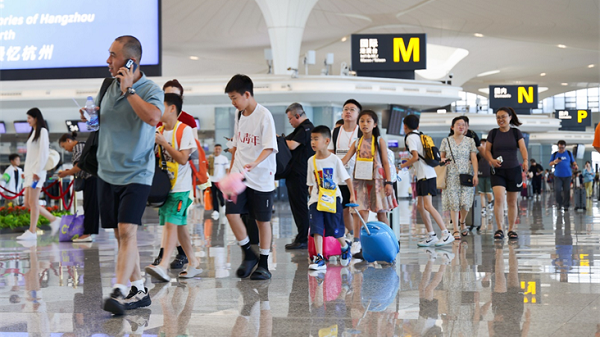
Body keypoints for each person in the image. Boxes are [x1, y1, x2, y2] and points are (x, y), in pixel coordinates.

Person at [92, 36, 164, 315]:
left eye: (113, 55)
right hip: (107, 171)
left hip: (137, 172)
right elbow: (101, 120)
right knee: (121, 236)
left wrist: (130, 90)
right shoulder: (107, 87)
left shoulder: (149, 89)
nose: (108, 60)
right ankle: (139, 289)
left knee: (127, 230)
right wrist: (92, 115)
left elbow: (153, 118)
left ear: (130, 61)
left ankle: (119, 289)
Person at [225, 74, 278, 280]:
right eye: (230, 98)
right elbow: (237, 146)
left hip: (262, 177)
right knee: (231, 214)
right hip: (241, 175)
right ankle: (248, 253)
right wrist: (231, 172)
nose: (233, 102)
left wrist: (255, 163)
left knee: (261, 221)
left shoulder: (264, 115)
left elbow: (269, 147)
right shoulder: (239, 115)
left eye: (235, 97)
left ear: (247, 94)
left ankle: (263, 263)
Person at [145, 93, 201, 282]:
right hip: (166, 188)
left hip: (180, 189)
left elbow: (183, 158)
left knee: (170, 224)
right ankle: (193, 262)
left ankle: (163, 265)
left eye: (161, 105)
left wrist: (164, 144)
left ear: (172, 108)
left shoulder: (183, 130)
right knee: (180, 228)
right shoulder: (158, 129)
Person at [400, 114, 454, 247]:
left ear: (404, 126)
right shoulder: (420, 136)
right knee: (420, 206)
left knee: (428, 206)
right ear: (417, 126)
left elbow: (415, 157)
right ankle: (431, 235)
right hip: (424, 175)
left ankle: (446, 233)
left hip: (425, 176)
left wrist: (400, 166)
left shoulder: (410, 138)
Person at [307, 126, 354, 270]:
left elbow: (346, 179)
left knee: (334, 229)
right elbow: (310, 183)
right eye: (311, 139)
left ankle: (345, 247)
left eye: (316, 139)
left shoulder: (334, 160)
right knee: (316, 228)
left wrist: (352, 195)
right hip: (316, 200)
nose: (313, 142)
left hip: (333, 200)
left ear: (327, 141)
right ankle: (320, 258)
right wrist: (312, 198)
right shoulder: (311, 160)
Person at [17, 108, 61, 241]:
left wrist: (36, 171)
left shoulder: (42, 131)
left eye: (29, 118)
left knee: (33, 202)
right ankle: (53, 220)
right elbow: (31, 156)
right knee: (27, 202)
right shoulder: (34, 133)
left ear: (36, 118)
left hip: (37, 173)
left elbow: (43, 153)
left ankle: (32, 231)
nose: (28, 120)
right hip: (31, 173)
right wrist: (26, 172)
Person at [484, 107, 528, 241]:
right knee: (499, 199)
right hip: (498, 171)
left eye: (503, 117)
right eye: (498, 117)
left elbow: (522, 148)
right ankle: (499, 228)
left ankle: (511, 230)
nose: (500, 119)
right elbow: (487, 150)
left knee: (512, 201)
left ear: (509, 117)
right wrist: (491, 160)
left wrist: (525, 160)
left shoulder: (516, 133)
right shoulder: (493, 133)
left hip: (513, 170)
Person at [328, 99, 361, 253]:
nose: (348, 111)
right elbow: (330, 153)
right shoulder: (335, 131)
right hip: (340, 177)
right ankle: (352, 234)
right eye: (346, 109)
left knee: (356, 209)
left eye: (352, 109)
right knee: (343, 209)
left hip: (358, 176)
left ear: (358, 114)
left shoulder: (362, 131)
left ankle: (357, 239)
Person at [439, 117, 478, 240]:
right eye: (458, 124)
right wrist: (443, 160)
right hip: (451, 175)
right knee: (454, 203)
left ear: (466, 128)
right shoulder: (446, 141)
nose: (461, 127)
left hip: (466, 175)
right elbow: (442, 158)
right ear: (452, 127)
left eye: (464, 125)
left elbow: (474, 158)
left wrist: (476, 174)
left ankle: (462, 221)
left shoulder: (470, 141)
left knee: (466, 203)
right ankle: (456, 229)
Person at [58, 132, 99, 242]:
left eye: (63, 146)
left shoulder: (78, 147)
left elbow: (79, 167)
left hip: (92, 178)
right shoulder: (82, 146)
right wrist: (70, 172)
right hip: (92, 178)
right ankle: (88, 232)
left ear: (68, 140)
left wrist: (66, 173)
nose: (65, 149)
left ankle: (87, 234)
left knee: (90, 206)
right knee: (90, 206)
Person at [284, 103, 315, 250]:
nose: (290, 121)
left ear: (298, 116)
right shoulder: (300, 130)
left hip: (299, 173)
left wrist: (279, 140)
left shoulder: (305, 128)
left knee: (300, 206)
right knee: (298, 206)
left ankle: (303, 238)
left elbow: (291, 145)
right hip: (297, 173)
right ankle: (302, 236)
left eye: (291, 118)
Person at [549, 140, 575, 210]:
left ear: (565, 147)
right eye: (560, 148)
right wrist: (555, 161)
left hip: (567, 175)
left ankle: (566, 205)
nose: (561, 149)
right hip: (558, 176)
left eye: (562, 148)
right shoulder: (554, 154)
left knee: (567, 190)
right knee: (557, 190)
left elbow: (573, 162)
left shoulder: (569, 153)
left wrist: (575, 165)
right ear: (558, 147)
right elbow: (550, 163)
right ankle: (559, 204)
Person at [209, 144, 229, 219]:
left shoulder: (224, 158)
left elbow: (227, 169)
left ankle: (223, 205)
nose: (217, 150)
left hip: (221, 180)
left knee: (220, 195)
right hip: (212, 180)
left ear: (221, 150)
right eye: (216, 149)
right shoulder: (210, 158)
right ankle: (215, 210)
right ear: (214, 149)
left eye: (219, 149)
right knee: (214, 196)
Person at [477, 139, 494, 218]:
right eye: (481, 144)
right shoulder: (478, 155)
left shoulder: (490, 153)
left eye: (484, 144)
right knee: (481, 193)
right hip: (480, 175)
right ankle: (483, 207)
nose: (482, 145)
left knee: (489, 192)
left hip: (489, 175)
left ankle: (490, 202)